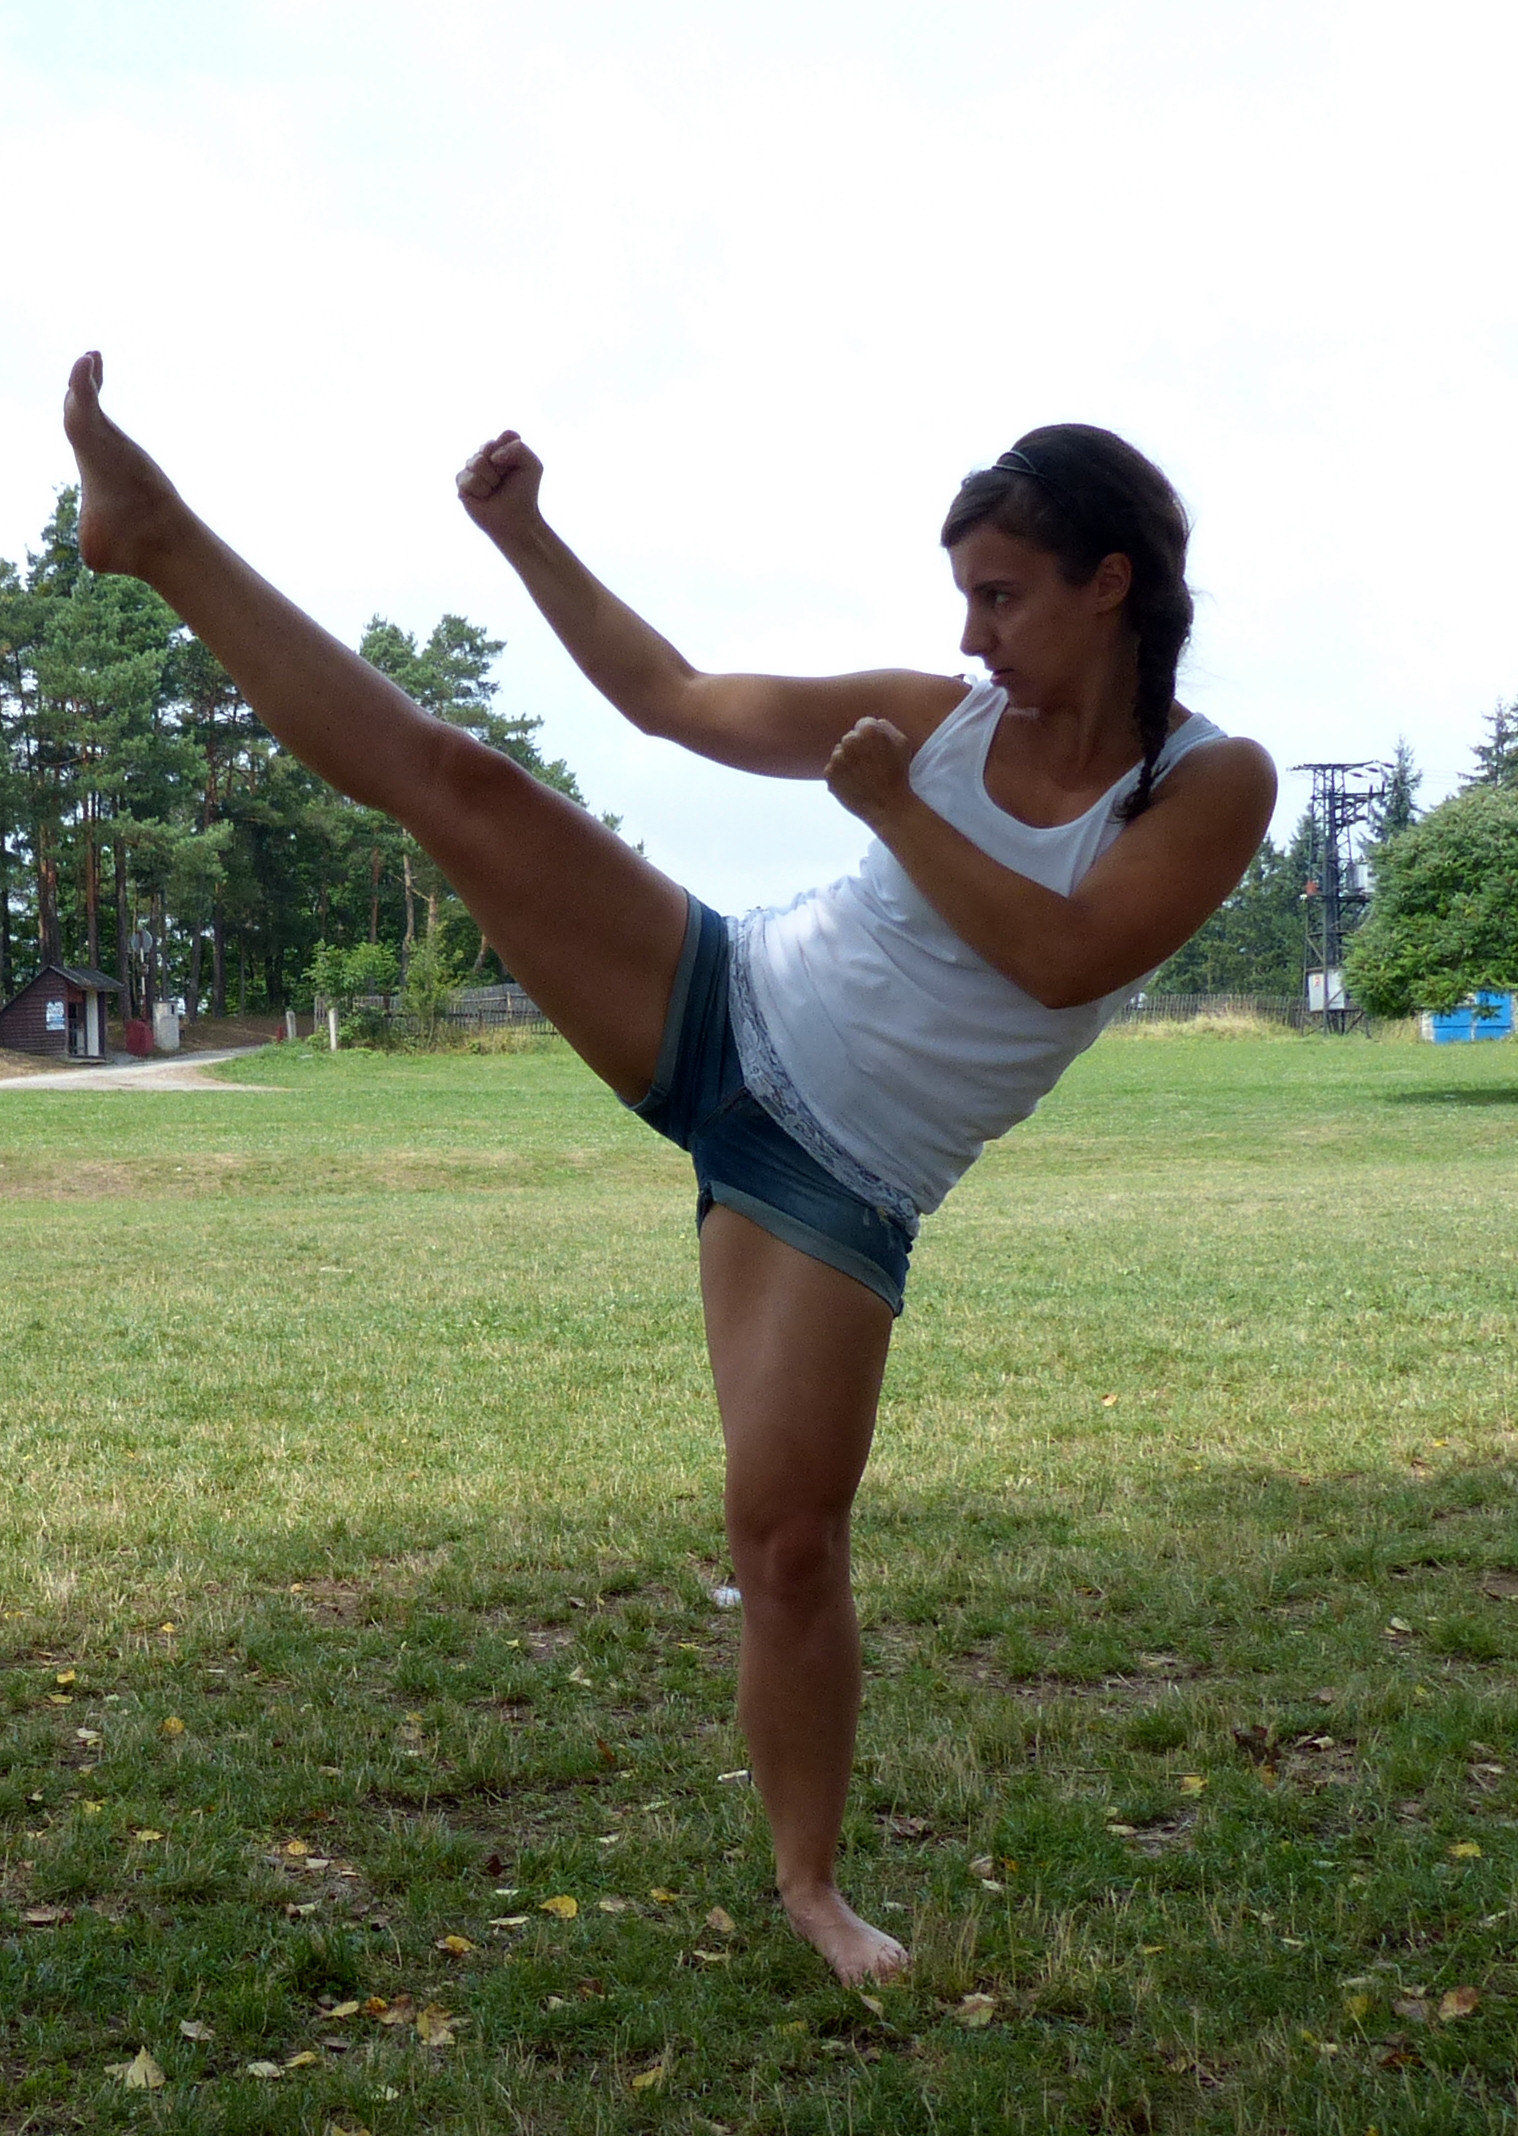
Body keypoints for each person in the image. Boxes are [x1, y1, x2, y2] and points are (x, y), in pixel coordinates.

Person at [62, 356, 1275, 1984]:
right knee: (463, 781)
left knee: (786, 1540)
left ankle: (811, 1891)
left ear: (1107, 582)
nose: (971, 636)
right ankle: (156, 536)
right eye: (962, 599)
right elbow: (669, 698)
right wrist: (526, 537)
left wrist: (889, 810)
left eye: (999, 597)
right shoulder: (940, 721)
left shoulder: (1206, 784)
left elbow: (1064, 958)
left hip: (837, 1179)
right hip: (717, 998)